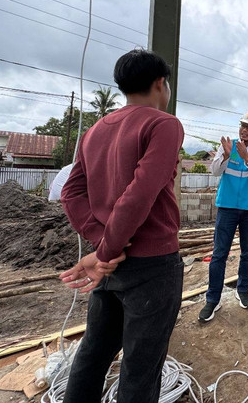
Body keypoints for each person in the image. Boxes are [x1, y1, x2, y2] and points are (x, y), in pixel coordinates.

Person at [59, 49, 185, 403]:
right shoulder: (164, 124)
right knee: (140, 369)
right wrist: (107, 251)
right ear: (161, 83)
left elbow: (70, 192)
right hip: (152, 265)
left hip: (110, 267)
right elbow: (140, 194)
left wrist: (102, 246)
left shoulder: (96, 129)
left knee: (93, 354)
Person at [198, 110, 248, 322]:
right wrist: (227, 155)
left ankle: (243, 291)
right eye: (242, 125)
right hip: (227, 208)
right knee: (219, 254)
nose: (244, 130)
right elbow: (215, 171)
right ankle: (213, 299)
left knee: (247, 253)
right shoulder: (227, 146)